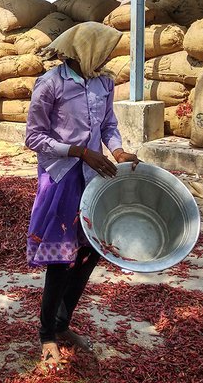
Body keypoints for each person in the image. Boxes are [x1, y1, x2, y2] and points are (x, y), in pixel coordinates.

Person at [24, 22, 140, 368]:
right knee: (61, 259)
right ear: (85, 50)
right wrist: (78, 152)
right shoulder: (51, 84)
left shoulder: (104, 82)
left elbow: (108, 125)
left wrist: (117, 151)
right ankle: (47, 333)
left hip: (94, 177)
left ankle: (63, 322)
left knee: (92, 252)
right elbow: (34, 137)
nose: (107, 57)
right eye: (103, 50)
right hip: (62, 177)